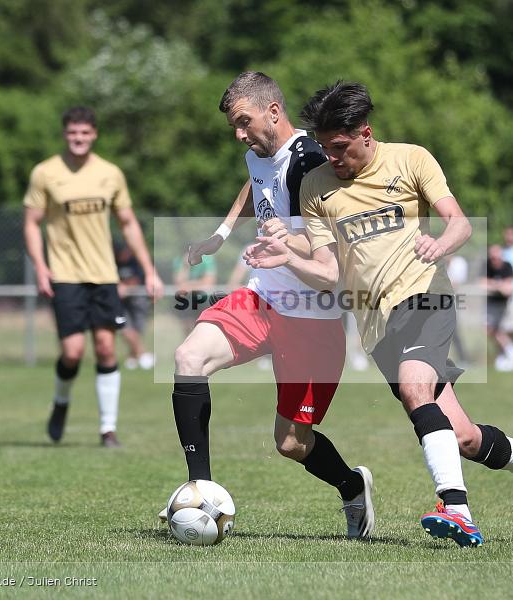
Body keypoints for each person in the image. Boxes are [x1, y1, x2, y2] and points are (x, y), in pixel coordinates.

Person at [246, 81, 513, 548]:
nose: (330, 157)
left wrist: (440, 244)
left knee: (415, 387)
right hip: (376, 323)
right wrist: (288, 258)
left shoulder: (410, 159)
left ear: (365, 133)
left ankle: (456, 509)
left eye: (339, 147)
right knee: (463, 438)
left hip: (426, 296)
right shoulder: (316, 186)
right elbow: (328, 271)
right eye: (324, 147)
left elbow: (458, 222)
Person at [166, 72, 374, 540]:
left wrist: (290, 240)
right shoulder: (258, 154)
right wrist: (219, 236)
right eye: (234, 127)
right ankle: (200, 487)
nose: (239, 135)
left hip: (312, 318)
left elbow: (334, 245)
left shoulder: (311, 160)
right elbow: (255, 184)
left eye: (245, 122)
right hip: (262, 298)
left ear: (273, 112)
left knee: (291, 444)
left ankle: (351, 485)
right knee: (188, 357)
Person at [23, 106, 163, 447]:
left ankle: (108, 429)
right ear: (64, 134)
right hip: (65, 274)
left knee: (105, 348)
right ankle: (61, 402)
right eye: (73, 132)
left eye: (85, 132)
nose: (79, 138)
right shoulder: (45, 172)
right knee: (72, 352)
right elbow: (31, 223)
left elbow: (128, 223)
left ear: (94, 134)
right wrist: (40, 266)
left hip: (104, 275)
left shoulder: (110, 173)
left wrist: (149, 270)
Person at [480, 244, 513, 371]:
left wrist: (494, 285)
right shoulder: (487, 265)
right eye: (492, 257)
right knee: (489, 329)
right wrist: (498, 285)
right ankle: (511, 351)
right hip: (491, 303)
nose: (495, 260)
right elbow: (482, 283)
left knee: (504, 330)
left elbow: (508, 288)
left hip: (505, 304)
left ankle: (508, 353)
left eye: (497, 257)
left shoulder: (507, 266)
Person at [115, 241, 156, 370]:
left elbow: (136, 280)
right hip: (121, 303)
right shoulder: (114, 262)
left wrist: (124, 286)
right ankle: (143, 355)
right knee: (125, 329)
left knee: (137, 331)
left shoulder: (136, 262)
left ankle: (132, 356)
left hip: (138, 301)